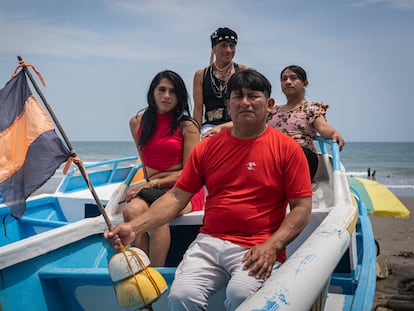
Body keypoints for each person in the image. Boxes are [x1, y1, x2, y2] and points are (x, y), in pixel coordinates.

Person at [105, 69, 312, 310]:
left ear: (269, 104)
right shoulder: (208, 148)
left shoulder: (287, 149)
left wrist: (273, 246)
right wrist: (133, 227)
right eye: (237, 96)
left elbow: (302, 208)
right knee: (181, 297)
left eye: (253, 96)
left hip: (258, 244)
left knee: (241, 295)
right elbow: (176, 197)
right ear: (229, 104)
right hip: (210, 241)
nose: (245, 102)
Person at [123, 70, 205, 267]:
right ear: (153, 92)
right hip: (154, 188)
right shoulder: (137, 123)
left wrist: (152, 183)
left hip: (184, 189)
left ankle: (156, 272)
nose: (166, 96)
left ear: (180, 97)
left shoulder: (188, 126)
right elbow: (145, 163)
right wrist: (148, 184)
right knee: (130, 211)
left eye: (173, 91)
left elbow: (189, 172)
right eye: (162, 90)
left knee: (158, 214)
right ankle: (144, 271)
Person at [268, 65, 345, 179]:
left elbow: (323, 127)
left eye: (293, 78)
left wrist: (334, 133)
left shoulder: (311, 108)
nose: (288, 82)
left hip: (302, 156)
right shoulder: (273, 110)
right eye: (284, 79)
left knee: (291, 153)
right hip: (274, 155)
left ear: (305, 83)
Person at [192, 26, 248, 135]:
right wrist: (195, 135)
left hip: (237, 124)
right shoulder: (201, 75)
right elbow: (198, 110)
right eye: (223, 45)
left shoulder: (243, 71)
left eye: (232, 46)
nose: (228, 50)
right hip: (210, 127)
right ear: (213, 48)